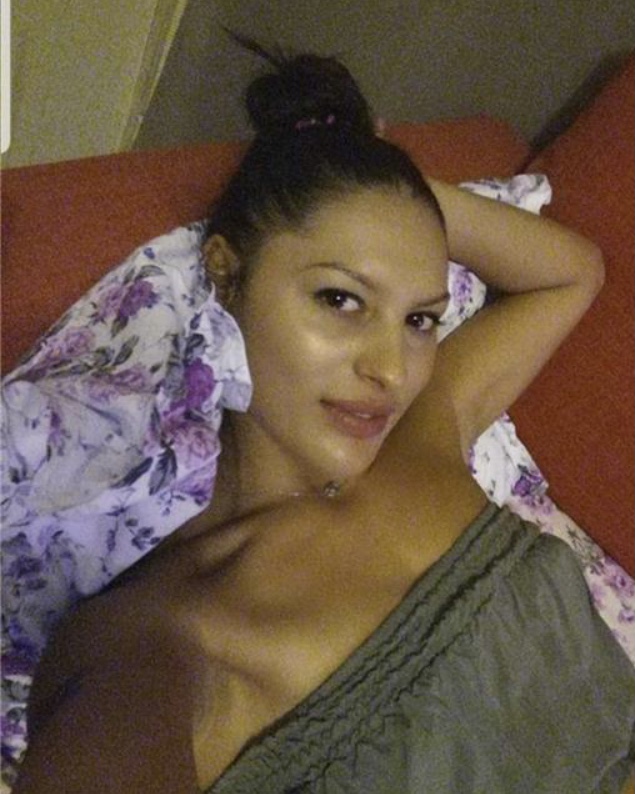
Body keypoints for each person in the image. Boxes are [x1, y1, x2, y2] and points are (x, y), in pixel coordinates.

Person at [10, 42, 635, 794]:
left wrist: (380, 181)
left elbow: (570, 274)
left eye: (419, 320)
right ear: (224, 273)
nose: (390, 371)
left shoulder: (423, 433)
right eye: (340, 299)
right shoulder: (162, 641)